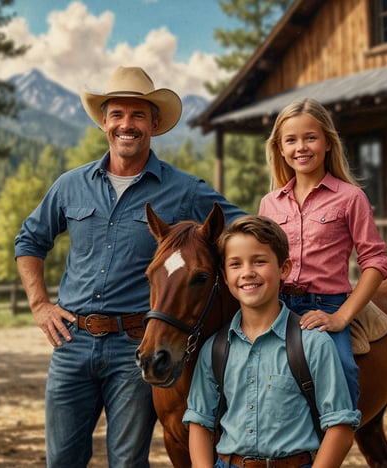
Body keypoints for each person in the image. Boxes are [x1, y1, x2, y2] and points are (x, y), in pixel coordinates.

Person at [14, 66, 245, 467]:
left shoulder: (185, 189)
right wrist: (39, 304)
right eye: (117, 114)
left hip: (137, 345)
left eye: (138, 115)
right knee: (62, 460)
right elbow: (29, 240)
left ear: (154, 123)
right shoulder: (70, 185)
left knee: (127, 462)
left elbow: (244, 230)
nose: (127, 124)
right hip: (72, 342)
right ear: (104, 121)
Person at [183, 215, 361, 468]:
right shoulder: (215, 350)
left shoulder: (312, 344)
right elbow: (199, 422)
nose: (247, 273)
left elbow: (340, 426)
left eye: (259, 261)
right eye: (236, 264)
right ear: (224, 276)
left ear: (284, 269)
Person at [258, 98, 387, 408]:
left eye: (310, 137)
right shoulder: (269, 203)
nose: (301, 147)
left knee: (342, 370)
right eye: (291, 140)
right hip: (275, 307)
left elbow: (376, 262)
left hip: (327, 304)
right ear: (280, 148)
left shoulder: (350, 197)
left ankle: (338, 435)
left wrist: (341, 317)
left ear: (328, 143)